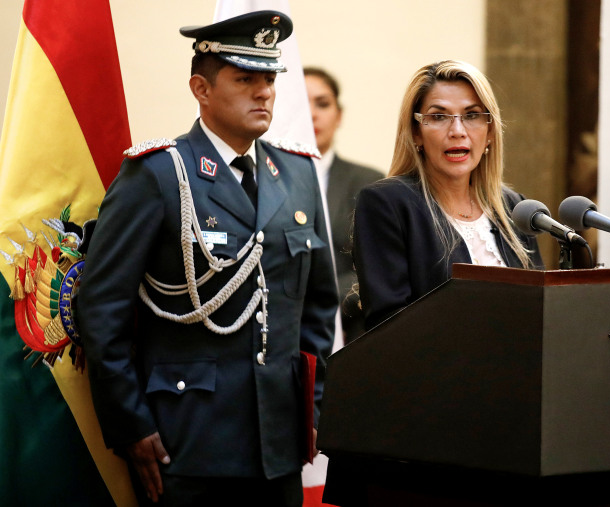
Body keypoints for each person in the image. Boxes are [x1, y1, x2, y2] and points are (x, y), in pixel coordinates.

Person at [78, 11, 337, 506]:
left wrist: (312, 411)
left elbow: (317, 310)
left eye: (269, 79)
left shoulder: (299, 173)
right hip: (185, 439)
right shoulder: (158, 174)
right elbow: (102, 311)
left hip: (278, 443)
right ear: (201, 88)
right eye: (245, 79)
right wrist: (130, 424)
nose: (264, 92)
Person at [352, 60, 544, 330]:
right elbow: (389, 324)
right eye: (439, 117)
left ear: (490, 132)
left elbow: (540, 312)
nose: (457, 131)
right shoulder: (387, 204)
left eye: (472, 115)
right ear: (416, 132)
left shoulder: (515, 208)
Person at [303, 67, 383, 344]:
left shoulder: (369, 183)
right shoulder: (260, 180)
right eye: (301, 104)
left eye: (322, 104)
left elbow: (376, 267)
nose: (312, 113)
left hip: (351, 330)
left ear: (339, 115)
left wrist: (316, 300)